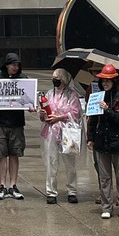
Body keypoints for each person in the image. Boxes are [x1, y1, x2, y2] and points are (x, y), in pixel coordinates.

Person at [86, 64, 119, 220]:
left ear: (114, 81)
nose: (105, 83)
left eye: (108, 80)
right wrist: (90, 138)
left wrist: (108, 110)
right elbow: (92, 119)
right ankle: (106, 207)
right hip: (101, 142)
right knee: (104, 178)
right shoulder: (96, 97)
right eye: (102, 80)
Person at [0, 52, 28, 200]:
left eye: (17, 65)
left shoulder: (23, 79)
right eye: (13, 65)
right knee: (0, 154)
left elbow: (28, 100)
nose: (16, 67)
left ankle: (13, 185)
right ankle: (2, 185)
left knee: (15, 154)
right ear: (7, 65)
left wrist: (32, 105)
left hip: (16, 123)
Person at [39, 68, 82, 204]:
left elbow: (76, 113)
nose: (54, 80)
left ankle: (72, 190)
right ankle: (51, 191)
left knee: (70, 163)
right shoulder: (49, 94)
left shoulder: (72, 95)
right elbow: (44, 112)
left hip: (67, 132)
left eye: (57, 78)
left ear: (63, 80)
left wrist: (60, 117)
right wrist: (43, 115)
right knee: (51, 162)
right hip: (51, 131)